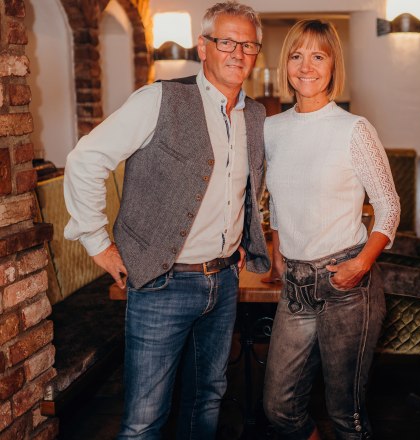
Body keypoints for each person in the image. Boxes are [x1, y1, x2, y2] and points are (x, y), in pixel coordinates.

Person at [63, 2, 269, 438]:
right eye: (227, 42)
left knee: (206, 401)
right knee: (144, 419)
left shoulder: (254, 115)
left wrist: (242, 242)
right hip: (162, 282)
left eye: (248, 45)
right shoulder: (158, 99)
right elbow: (85, 160)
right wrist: (98, 244)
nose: (238, 53)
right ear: (203, 47)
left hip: (223, 280)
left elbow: (245, 189)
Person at [262, 19, 401, 440]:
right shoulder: (271, 129)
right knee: (279, 408)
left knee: (346, 414)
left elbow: (389, 206)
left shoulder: (353, 129)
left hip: (346, 286)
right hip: (296, 287)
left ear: (332, 65)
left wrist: (361, 264)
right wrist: (278, 254)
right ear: (286, 64)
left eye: (318, 56)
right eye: (296, 55)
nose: (306, 66)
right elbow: (274, 201)